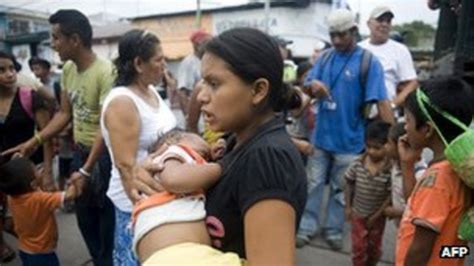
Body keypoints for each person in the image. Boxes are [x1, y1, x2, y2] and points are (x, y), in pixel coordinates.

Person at [132, 27, 307, 265]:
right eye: (203, 82)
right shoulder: (234, 141)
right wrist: (154, 173)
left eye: (214, 84)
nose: (201, 96)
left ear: (258, 90)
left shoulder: (268, 158)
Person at [2, 10, 115, 266]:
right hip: (80, 150)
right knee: (84, 218)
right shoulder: (68, 71)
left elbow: (105, 127)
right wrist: (35, 141)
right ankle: (99, 260)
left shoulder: (106, 72)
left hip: (105, 155)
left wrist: (87, 169)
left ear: (74, 39)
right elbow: (65, 113)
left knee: (106, 219)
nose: (51, 44)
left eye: (55, 38)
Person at [296, 9, 394, 250]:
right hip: (320, 138)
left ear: (353, 31)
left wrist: (393, 142)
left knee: (342, 189)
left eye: (342, 35)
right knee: (313, 184)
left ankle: (333, 230)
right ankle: (306, 227)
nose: (337, 40)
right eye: (333, 35)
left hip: (350, 142)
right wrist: (313, 86)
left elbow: (381, 102)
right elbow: (307, 86)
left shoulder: (368, 63)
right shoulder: (325, 58)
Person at [101, 29, 176, 265]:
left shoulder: (150, 90)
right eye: (159, 59)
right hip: (138, 204)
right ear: (138, 64)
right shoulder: (123, 102)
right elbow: (127, 170)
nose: (164, 65)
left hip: (162, 196)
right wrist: (145, 210)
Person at [130, 129, 240, 265]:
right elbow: (173, 180)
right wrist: (222, 166)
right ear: (172, 141)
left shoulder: (184, 164)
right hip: (181, 256)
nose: (207, 146)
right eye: (200, 139)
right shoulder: (172, 153)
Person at [396, 77, 473, 265]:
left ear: (427, 129)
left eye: (407, 120)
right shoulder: (460, 168)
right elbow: (414, 207)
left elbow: (421, 248)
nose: (405, 127)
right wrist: (407, 165)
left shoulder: (437, 180)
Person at [0, 51, 55, 263]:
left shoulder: (30, 96)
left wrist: (48, 172)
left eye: (12, 68)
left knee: (36, 219)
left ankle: (39, 252)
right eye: (2, 70)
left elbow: (46, 135)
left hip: (28, 170)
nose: (9, 74)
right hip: (2, 171)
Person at [0, 157, 84, 266]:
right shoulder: (40, 199)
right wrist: (75, 181)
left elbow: (14, 178)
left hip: (25, 249)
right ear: (33, 184)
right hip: (43, 253)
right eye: (36, 170)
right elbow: (70, 195)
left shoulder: (11, 197)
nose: (40, 169)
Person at [344, 120, 392, 266]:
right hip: (358, 213)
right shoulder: (358, 163)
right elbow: (348, 182)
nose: (371, 151)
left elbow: (390, 196)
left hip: (377, 217)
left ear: (387, 146)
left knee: (374, 248)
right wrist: (348, 206)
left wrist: (377, 215)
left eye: (376, 148)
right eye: (368, 146)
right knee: (358, 247)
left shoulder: (390, 169)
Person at [359, 6, 418, 111]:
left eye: (388, 21)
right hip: (357, 113)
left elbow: (412, 84)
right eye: (380, 20)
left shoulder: (400, 50)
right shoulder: (358, 49)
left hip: (385, 116)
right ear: (369, 24)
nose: (384, 24)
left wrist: (392, 105)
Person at [382, 122, 426, 226]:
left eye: (388, 143)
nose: (385, 146)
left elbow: (419, 210)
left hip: (411, 228)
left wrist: (396, 212)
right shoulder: (396, 164)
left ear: (401, 147)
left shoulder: (419, 175)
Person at [176, 29, 211, 130]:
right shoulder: (189, 63)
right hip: (197, 118)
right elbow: (182, 92)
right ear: (196, 44)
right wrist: (189, 117)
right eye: (205, 42)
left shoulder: (207, 60)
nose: (208, 45)